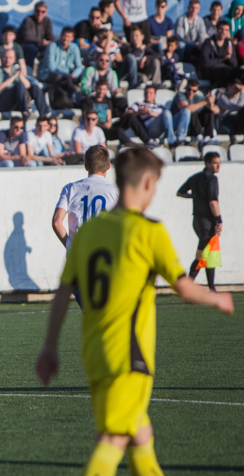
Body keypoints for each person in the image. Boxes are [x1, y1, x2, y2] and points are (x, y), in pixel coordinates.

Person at [37, 148, 233, 476]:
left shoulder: (84, 236)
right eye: (155, 186)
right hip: (129, 354)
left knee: (141, 434)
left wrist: (49, 347)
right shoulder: (147, 231)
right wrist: (219, 299)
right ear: (145, 183)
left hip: (95, 351)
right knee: (113, 440)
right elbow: (183, 287)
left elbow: (62, 292)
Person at [51, 144, 118, 259]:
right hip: (103, 252)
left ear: (86, 166)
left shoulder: (70, 188)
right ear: (108, 166)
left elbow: (57, 221)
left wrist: (69, 245)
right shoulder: (115, 191)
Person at [177, 152, 223, 292]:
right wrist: (219, 220)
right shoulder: (212, 179)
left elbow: (180, 192)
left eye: (219, 162)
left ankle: (212, 288)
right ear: (207, 163)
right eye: (215, 162)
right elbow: (213, 202)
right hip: (207, 222)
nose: (218, 165)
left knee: (209, 254)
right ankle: (187, 288)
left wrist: (195, 197)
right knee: (201, 254)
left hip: (197, 221)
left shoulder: (195, 178)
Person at [0, 49, 50, 118]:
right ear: (1, 57)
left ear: (14, 59)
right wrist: (13, 77)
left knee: (34, 87)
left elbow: (28, 86)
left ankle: (44, 115)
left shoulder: (15, 70)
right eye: (5, 57)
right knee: (19, 85)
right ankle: (25, 111)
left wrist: (21, 76)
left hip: (15, 102)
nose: (7, 60)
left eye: (10, 58)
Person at [81, 79, 130, 145]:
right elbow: (86, 119)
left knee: (128, 119)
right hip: (94, 127)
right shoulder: (88, 100)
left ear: (107, 90)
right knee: (117, 132)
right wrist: (101, 125)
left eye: (104, 89)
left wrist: (108, 123)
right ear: (95, 88)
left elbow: (109, 117)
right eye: (99, 89)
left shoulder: (107, 101)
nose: (101, 91)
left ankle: (134, 147)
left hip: (105, 128)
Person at [38, 27, 83, 94]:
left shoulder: (74, 48)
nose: (65, 38)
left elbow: (79, 67)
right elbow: (51, 67)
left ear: (72, 38)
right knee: (58, 77)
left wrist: (73, 75)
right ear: (60, 35)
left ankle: (72, 98)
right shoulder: (52, 46)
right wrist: (66, 75)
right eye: (64, 36)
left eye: (68, 37)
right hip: (48, 74)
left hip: (67, 76)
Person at [17, 1, 55, 69]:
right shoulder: (28, 20)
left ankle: (48, 71)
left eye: (42, 12)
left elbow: (50, 37)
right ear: (34, 11)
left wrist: (50, 43)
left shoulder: (47, 21)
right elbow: (27, 38)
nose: (40, 13)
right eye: (38, 11)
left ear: (46, 12)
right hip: (25, 46)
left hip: (39, 46)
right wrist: (42, 42)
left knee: (51, 47)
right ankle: (29, 70)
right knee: (31, 48)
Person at [199, 19, 236, 87]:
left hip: (227, 70)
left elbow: (235, 64)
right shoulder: (208, 42)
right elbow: (205, 63)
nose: (223, 32)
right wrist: (223, 59)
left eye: (226, 30)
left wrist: (229, 56)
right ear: (216, 29)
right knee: (223, 71)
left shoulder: (229, 43)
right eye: (221, 29)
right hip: (210, 72)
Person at [175, 0, 207, 65]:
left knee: (204, 47)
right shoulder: (181, 19)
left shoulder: (200, 21)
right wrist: (192, 44)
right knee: (181, 45)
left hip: (196, 45)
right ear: (188, 7)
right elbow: (179, 37)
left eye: (196, 8)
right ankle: (178, 65)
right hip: (185, 44)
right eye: (192, 7)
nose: (194, 10)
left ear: (199, 9)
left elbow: (202, 36)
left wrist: (199, 43)